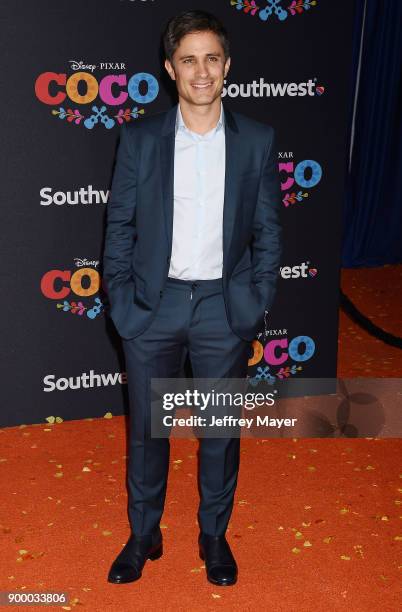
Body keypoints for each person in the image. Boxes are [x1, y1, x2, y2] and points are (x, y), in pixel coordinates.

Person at [103, 9, 282, 586]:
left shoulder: (256, 140)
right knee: (147, 431)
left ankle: (213, 534)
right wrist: (122, 300)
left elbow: (268, 230)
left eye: (211, 59)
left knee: (219, 434)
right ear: (169, 69)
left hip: (222, 309)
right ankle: (143, 532)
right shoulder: (139, 139)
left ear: (227, 66)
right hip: (153, 307)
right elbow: (120, 227)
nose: (200, 71)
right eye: (188, 59)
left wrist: (254, 300)